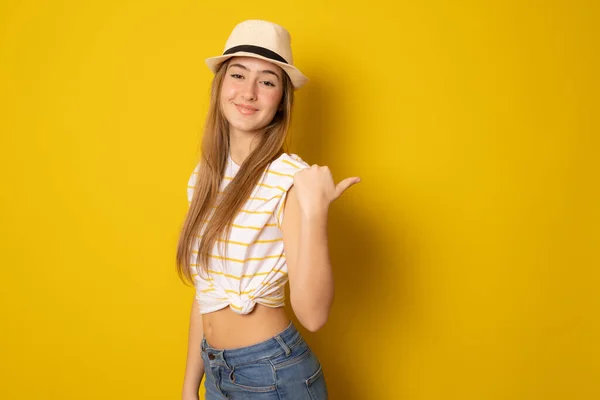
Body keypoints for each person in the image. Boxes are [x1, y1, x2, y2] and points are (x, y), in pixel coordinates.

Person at [176, 19, 360, 400]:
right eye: (238, 75)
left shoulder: (290, 180)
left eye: (267, 81)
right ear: (219, 87)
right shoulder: (206, 177)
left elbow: (313, 316)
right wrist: (189, 384)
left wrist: (315, 212)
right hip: (217, 371)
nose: (249, 92)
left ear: (281, 101)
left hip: (272, 376)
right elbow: (206, 293)